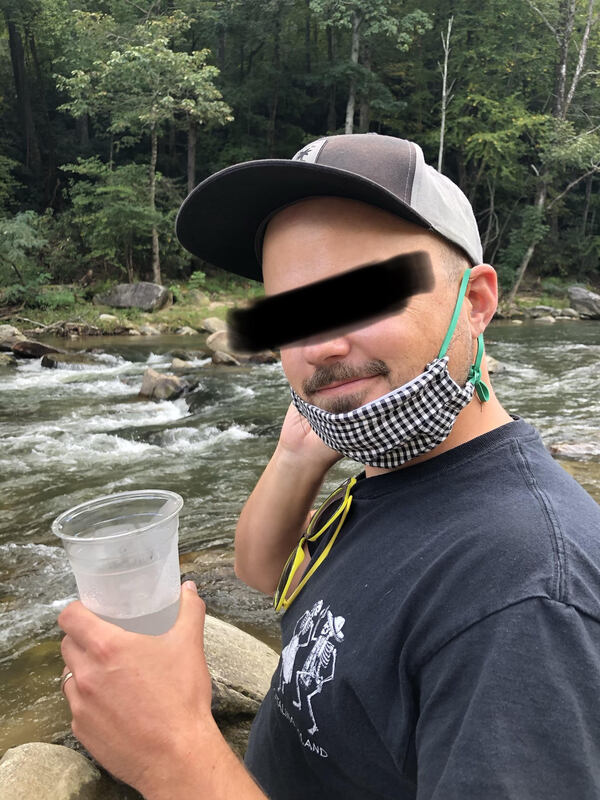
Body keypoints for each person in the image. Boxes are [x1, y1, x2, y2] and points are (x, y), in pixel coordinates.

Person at [59, 134, 600, 800]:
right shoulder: (396, 468)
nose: (321, 346)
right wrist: (299, 450)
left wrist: (174, 753)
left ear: (478, 303)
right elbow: (268, 574)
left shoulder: (526, 594)